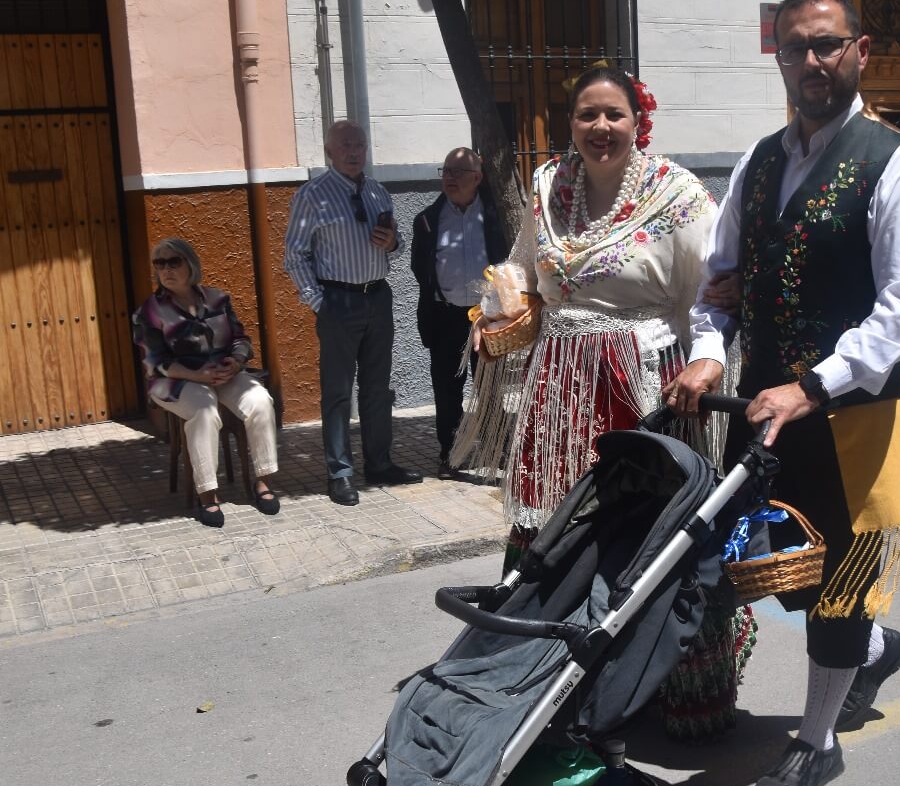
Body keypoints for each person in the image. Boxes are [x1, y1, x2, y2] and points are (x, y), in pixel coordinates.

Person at [664, 0, 900, 786]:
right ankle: (876, 650)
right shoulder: (757, 163)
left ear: (860, 52)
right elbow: (719, 283)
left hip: (852, 416)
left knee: (838, 583)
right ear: (780, 59)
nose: (812, 61)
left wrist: (814, 385)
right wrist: (708, 355)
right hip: (763, 410)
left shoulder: (899, 163)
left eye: (827, 44)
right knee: (770, 566)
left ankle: (817, 743)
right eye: (796, 48)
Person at [454, 65, 756, 742]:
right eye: (587, 114)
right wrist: (495, 315)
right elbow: (523, 268)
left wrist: (705, 363)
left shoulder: (677, 196)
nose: (600, 127)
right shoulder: (546, 189)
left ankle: (683, 694)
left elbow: (713, 290)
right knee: (549, 532)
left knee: (649, 539)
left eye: (614, 114)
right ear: (570, 123)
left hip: (640, 387)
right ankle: (534, 683)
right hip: (559, 389)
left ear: (637, 121)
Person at [283, 119, 422, 506]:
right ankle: (340, 472)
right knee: (338, 391)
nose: (353, 151)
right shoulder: (312, 196)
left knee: (377, 388)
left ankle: (379, 463)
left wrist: (393, 243)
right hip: (337, 300)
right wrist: (318, 302)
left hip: (377, 297)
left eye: (359, 144)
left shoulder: (378, 191)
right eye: (345, 145)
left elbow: (397, 245)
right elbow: (294, 255)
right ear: (329, 151)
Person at [133, 237, 280, 527]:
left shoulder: (217, 299)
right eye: (159, 264)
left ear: (190, 264)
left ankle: (264, 481)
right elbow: (156, 361)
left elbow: (241, 340)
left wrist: (235, 361)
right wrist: (198, 376)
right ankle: (208, 494)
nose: (166, 269)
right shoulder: (149, 311)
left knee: (260, 400)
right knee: (204, 411)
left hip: (222, 373)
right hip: (174, 379)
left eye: (173, 262)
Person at [410, 147, 510, 478]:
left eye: (458, 172)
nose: (450, 178)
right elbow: (420, 268)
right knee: (447, 389)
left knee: (491, 386)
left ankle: (498, 449)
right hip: (446, 317)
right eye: (446, 171)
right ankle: (451, 454)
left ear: (477, 178)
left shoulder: (495, 216)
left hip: (488, 317)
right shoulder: (428, 220)